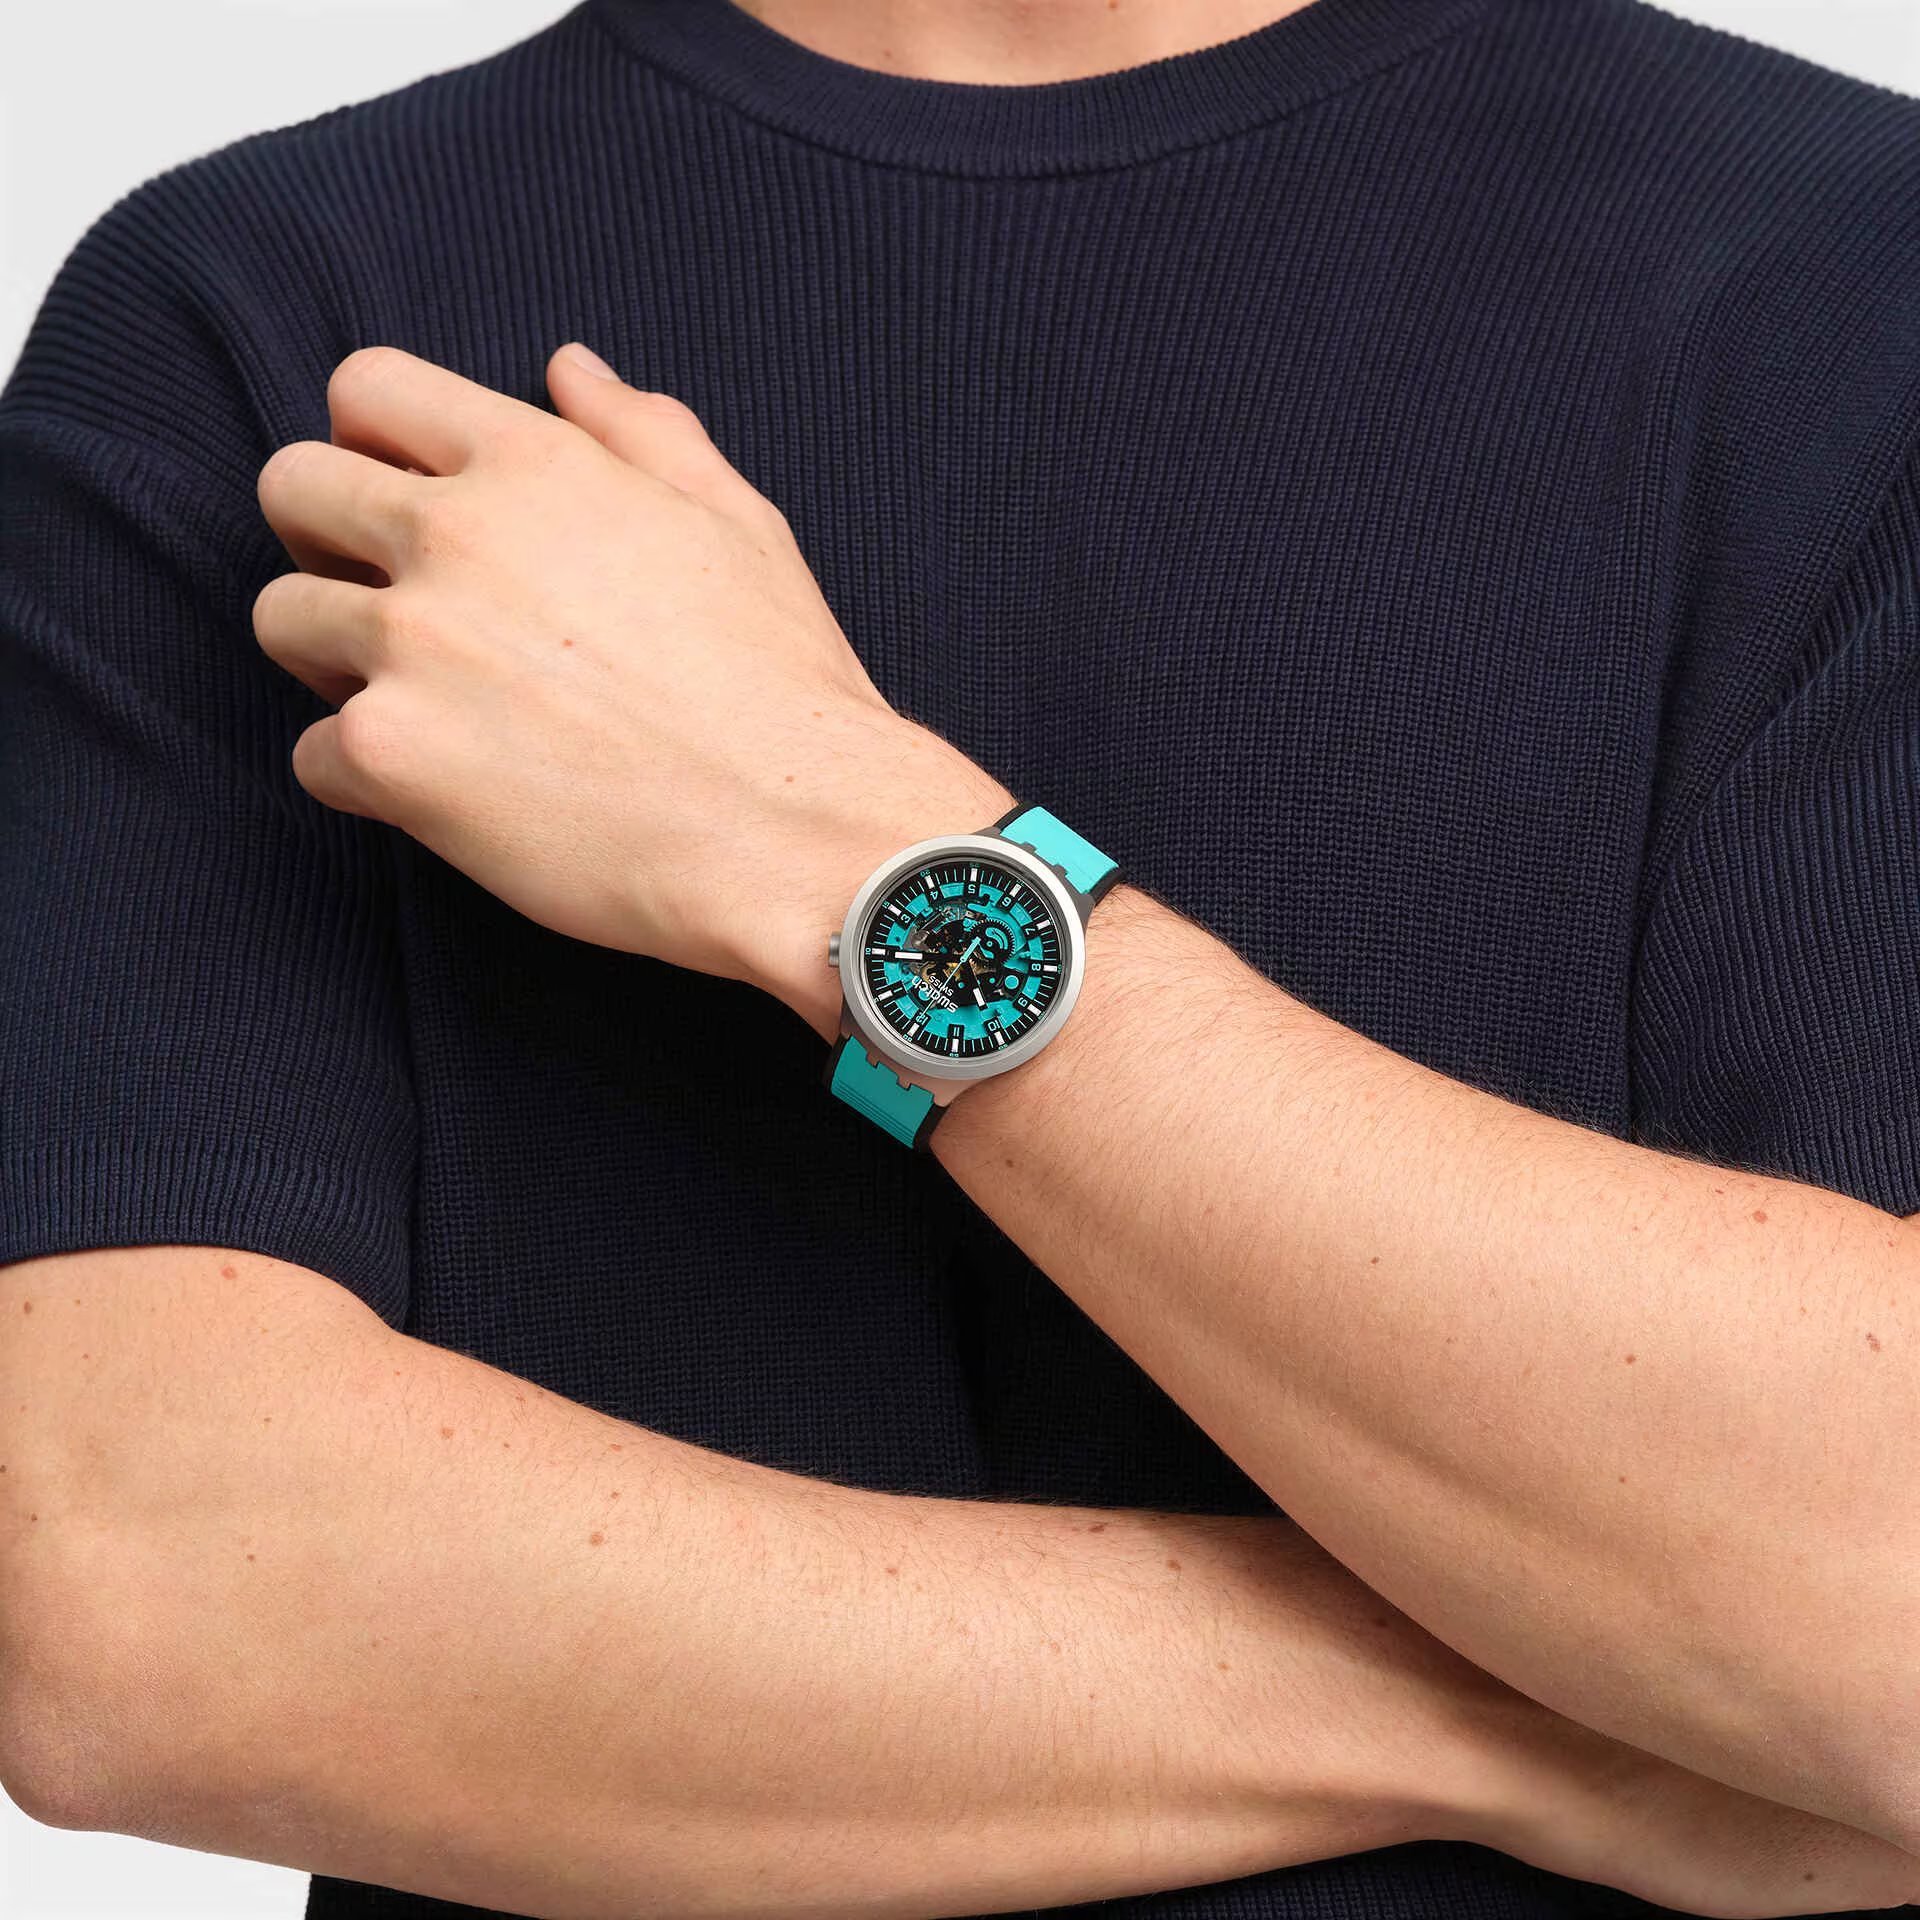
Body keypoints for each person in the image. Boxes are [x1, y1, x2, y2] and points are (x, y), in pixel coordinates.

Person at [2, 0, 1917, 1916]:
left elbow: (1883, 1591)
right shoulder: (276, 328)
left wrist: (819, 829)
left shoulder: (1850, 276)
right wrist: (1570, 1710)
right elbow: (143, 1596)